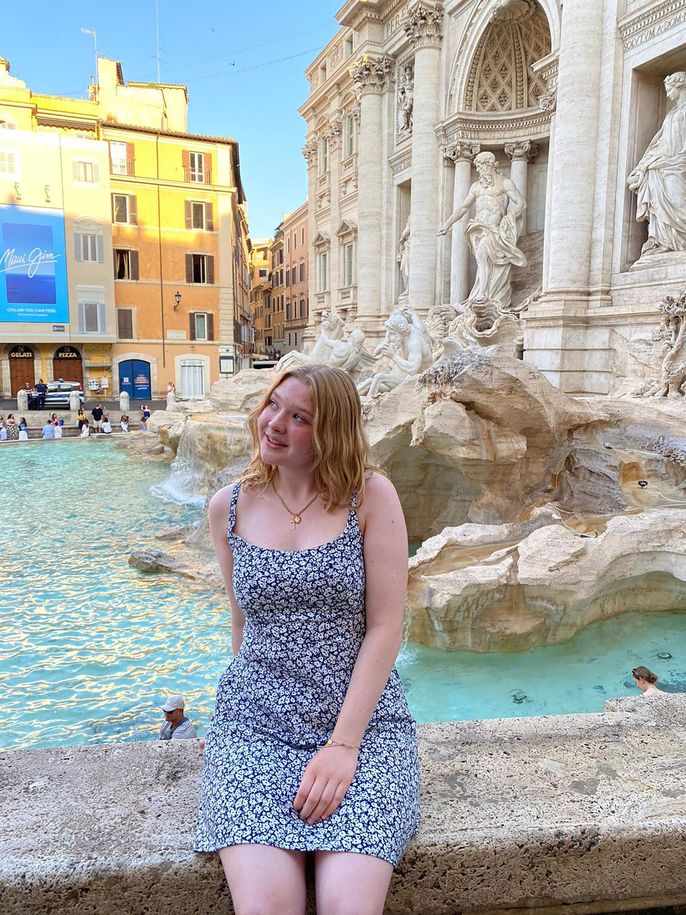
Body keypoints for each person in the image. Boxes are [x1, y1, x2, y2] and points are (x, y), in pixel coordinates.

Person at [194, 365, 420, 914]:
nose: (274, 424)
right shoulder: (227, 507)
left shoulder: (370, 496)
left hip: (363, 729)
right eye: (275, 405)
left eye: (299, 418)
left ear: (329, 433)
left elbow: (387, 625)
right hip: (255, 729)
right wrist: (233, 718)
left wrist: (344, 746)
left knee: (350, 907)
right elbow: (242, 622)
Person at [439, 150, 527, 311]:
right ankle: (481, 293)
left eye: (479, 166)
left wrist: (510, 218)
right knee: (482, 260)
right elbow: (463, 208)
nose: (478, 170)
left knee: (482, 256)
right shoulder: (476, 187)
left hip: (494, 229)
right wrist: (448, 223)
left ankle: (483, 293)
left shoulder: (505, 183)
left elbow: (521, 203)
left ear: (489, 165)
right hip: (477, 228)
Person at [628, 72, 686, 255]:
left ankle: (680, 241)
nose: (667, 93)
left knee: (678, 201)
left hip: (678, 163)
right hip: (663, 162)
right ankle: (663, 242)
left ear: (680, 86)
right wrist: (643, 165)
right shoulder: (672, 113)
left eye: (670, 88)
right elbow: (658, 142)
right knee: (657, 197)